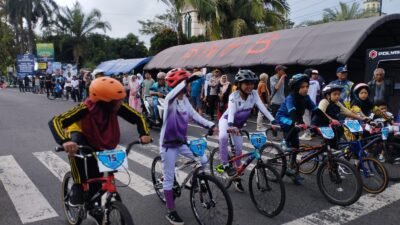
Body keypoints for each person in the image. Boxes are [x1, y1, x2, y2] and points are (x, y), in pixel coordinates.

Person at [48, 76, 151, 208]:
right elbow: (55, 121)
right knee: (77, 150)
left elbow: (138, 117)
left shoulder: (115, 106)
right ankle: (78, 186)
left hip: (100, 139)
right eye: (117, 101)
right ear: (104, 101)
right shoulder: (85, 108)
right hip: (81, 135)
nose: (121, 103)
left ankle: (94, 205)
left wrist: (144, 133)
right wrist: (65, 141)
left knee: (97, 179)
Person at [160, 68, 216, 225]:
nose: (191, 86)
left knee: (203, 159)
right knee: (169, 179)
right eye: (188, 84)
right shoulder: (170, 99)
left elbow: (195, 116)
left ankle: (193, 181)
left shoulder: (185, 100)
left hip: (182, 142)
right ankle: (171, 211)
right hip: (168, 145)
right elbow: (176, 90)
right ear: (181, 85)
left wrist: (210, 125)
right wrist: (189, 79)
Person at [219, 70, 275, 192]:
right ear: (239, 84)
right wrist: (230, 125)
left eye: (251, 83)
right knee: (223, 137)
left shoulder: (254, 94)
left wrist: (273, 121)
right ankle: (225, 165)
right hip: (227, 121)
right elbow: (232, 110)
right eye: (246, 83)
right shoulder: (233, 96)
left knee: (239, 150)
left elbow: (262, 108)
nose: (250, 86)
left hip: (238, 127)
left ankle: (236, 175)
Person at [275, 74, 332, 184]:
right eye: (302, 87)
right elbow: (291, 112)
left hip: (296, 119)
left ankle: (292, 170)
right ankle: (284, 141)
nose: (306, 89)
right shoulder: (290, 98)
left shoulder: (306, 98)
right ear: (296, 88)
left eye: (307, 86)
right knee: (294, 127)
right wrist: (298, 122)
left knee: (296, 146)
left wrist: (330, 120)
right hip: (284, 118)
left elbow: (316, 110)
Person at [312, 84, 365, 149]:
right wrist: (331, 120)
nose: (337, 96)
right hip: (319, 125)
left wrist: (362, 118)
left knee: (340, 131)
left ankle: (332, 151)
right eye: (335, 94)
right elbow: (321, 113)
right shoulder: (324, 101)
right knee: (331, 139)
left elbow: (348, 112)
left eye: (338, 94)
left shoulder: (337, 103)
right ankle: (327, 152)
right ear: (328, 95)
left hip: (330, 125)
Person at [299, 70, 320, 141]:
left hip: (306, 102)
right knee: (311, 119)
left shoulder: (303, 83)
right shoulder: (316, 82)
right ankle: (311, 132)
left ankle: (307, 134)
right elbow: (318, 92)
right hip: (313, 103)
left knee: (305, 118)